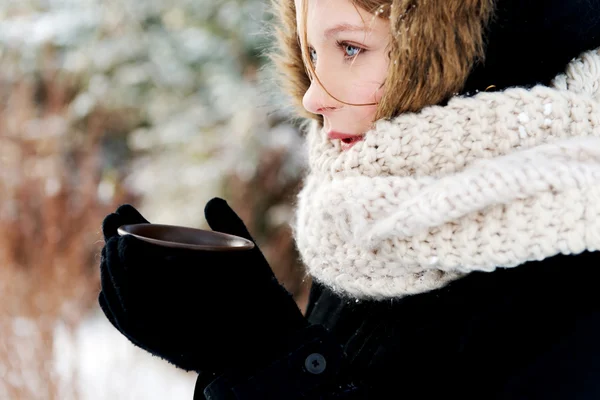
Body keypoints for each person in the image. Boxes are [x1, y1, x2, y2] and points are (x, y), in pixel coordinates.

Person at [98, 0, 600, 398]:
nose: (314, 97)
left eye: (351, 49)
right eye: (313, 54)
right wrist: (237, 347)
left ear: (468, 49)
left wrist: (266, 359)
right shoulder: (365, 218)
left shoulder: (571, 252)